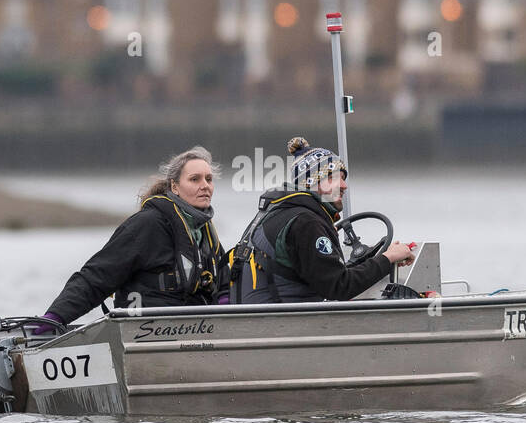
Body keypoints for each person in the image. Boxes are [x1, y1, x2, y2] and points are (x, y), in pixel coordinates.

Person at [38, 147, 230, 330]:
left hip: (196, 332)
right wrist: (55, 317)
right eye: (195, 179)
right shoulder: (147, 224)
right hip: (144, 332)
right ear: (175, 187)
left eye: (209, 179)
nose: (205, 185)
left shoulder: (205, 231)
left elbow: (224, 282)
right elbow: (96, 277)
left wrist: (227, 309)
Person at [230, 137, 414, 303]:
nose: (344, 186)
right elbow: (339, 287)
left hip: (264, 320)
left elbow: (324, 274)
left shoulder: (280, 213)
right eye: (334, 178)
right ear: (311, 182)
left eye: (343, 178)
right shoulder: (306, 223)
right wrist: (387, 259)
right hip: (285, 326)